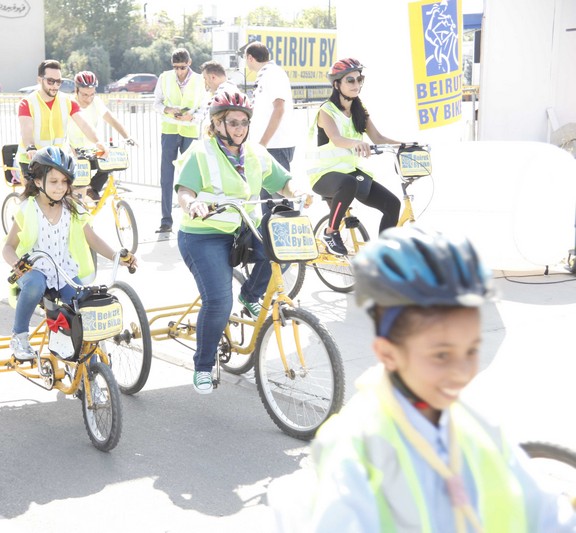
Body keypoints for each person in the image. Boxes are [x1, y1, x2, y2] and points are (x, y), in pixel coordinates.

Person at [305, 226, 576, 532]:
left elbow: (542, 511)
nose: (462, 371)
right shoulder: (357, 450)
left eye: (472, 349)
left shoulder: (475, 420)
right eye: (441, 355)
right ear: (388, 353)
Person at [174, 90, 308, 394]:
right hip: (203, 235)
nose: (239, 128)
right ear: (217, 124)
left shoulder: (256, 152)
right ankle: (203, 366)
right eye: (233, 122)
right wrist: (191, 204)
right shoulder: (201, 152)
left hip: (241, 229)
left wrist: (298, 189)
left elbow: (283, 182)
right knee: (220, 301)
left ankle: (251, 293)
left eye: (244, 122)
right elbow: (184, 190)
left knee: (285, 243)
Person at [2, 146, 137, 361]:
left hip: (64, 272)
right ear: (38, 181)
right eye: (53, 181)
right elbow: (7, 247)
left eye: (64, 181)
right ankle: (19, 336)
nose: (60, 187)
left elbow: (91, 238)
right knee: (36, 284)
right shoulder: (27, 209)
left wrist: (116, 256)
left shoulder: (72, 208)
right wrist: (17, 265)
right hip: (33, 270)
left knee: (84, 305)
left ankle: (90, 368)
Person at [308, 58, 403, 256]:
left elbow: (378, 137)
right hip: (324, 176)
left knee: (392, 204)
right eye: (350, 80)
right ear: (337, 84)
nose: (357, 84)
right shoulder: (326, 111)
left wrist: (406, 145)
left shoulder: (360, 111)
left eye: (360, 79)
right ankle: (330, 233)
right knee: (349, 182)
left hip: (349, 173)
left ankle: (384, 255)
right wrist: (357, 143)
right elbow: (336, 138)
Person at [18, 60, 106, 182]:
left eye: (59, 82)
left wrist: (98, 142)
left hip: (58, 160)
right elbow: (26, 130)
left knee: (68, 193)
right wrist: (30, 147)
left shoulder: (68, 101)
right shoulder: (27, 103)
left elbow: (84, 125)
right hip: (32, 160)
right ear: (39, 80)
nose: (55, 86)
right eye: (50, 81)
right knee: (35, 197)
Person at [153, 48, 207, 234]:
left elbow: (203, 109)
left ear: (189, 63)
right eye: (176, 67)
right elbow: (157, 103)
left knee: (190, 178)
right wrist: (167, 110)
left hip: (190, 132)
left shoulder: (200, 80)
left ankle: (192, 216)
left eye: (182, 67)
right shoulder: (164, 77)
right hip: (169, 131)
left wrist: (191, 118)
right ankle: (166, 220)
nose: (179, 71)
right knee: (166, 177)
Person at [67, 70, 136, 201]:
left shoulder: (96, 102)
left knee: (108, 162)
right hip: (73, 151)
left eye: (92, 94)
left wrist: (127, 136)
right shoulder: (69, 103)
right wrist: (70, 150)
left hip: (91, 149)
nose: (89, 98)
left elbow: (112, 119)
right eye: (85, 95)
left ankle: (92, 190)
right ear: (76, 90)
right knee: (76, 189)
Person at [245, 41, 296, 215]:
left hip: (275, 146)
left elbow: (279, 108)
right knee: (268, 204)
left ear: (250, 58)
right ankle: (269, 242)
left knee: (281, 204)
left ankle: (288, 241)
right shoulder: (265, 75)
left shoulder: (273, 74)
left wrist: (263, 144)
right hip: (267, 147)